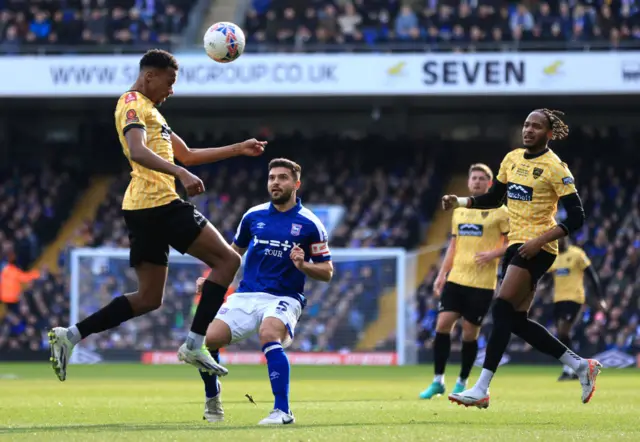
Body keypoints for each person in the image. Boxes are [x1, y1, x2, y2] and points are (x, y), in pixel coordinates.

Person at [48, 49, 267, 381]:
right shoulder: (132, 103)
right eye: (170, 81)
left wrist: (238, 148)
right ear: (150, 75)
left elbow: (188, 154)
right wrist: (179, 174)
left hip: (142, 209)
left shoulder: (153, 112)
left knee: (149, 298)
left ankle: (71, 336)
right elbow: (137, 150)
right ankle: (195, 343)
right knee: (228, 261)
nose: (172, 90)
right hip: (157, 202)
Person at [443, 109, 601, 408]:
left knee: (501, 308)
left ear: (549, 133)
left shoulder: (556, 168)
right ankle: (581, 366)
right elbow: (494, 198)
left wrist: (539, 240)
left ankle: (482, 387)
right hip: (516, 246)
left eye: (536, 126)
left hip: (538, 248)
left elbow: (578, 217)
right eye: (526, 125)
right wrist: (462, 201)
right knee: (515, 320)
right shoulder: (512, 158)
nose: (529, 130)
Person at [198, 158, 333, 425]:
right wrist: (213, 278)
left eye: (282, 178)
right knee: (206, 341)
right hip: (246, 295)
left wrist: (302, 264)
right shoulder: (253, 216)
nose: (275, 182)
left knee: (268, 333)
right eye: (272, 177)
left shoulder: (310, 224)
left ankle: (282, 411)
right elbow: (232, 255)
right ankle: (213, 397)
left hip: (284, 297)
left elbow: (327, 272)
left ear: (296, 184)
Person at [420, 163, 509, 400]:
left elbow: (515, 242)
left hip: (482, 283)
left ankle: (462, 381)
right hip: (456, 278)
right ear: (469, 182)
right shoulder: (459, 210)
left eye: (482, 178)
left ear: (490, 184)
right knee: (442, 325)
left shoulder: (500, 211)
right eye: (474, 178)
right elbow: (454, 245)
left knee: (469, 334)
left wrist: (493, 254)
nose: (477, 181)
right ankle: (438, 380)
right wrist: (441, 274)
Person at [543, 236, 605, 381]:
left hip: (574, 298)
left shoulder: (577, 254)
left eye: (561, 238)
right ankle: (575, 368)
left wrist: (600, 298)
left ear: (566, 238)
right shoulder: (555, 257)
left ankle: (570, 368)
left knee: (564, 330)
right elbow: (548, 278)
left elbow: (592, 275)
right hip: (558, 298)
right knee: (562, 334)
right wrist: (542, 286)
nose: (558, 241)